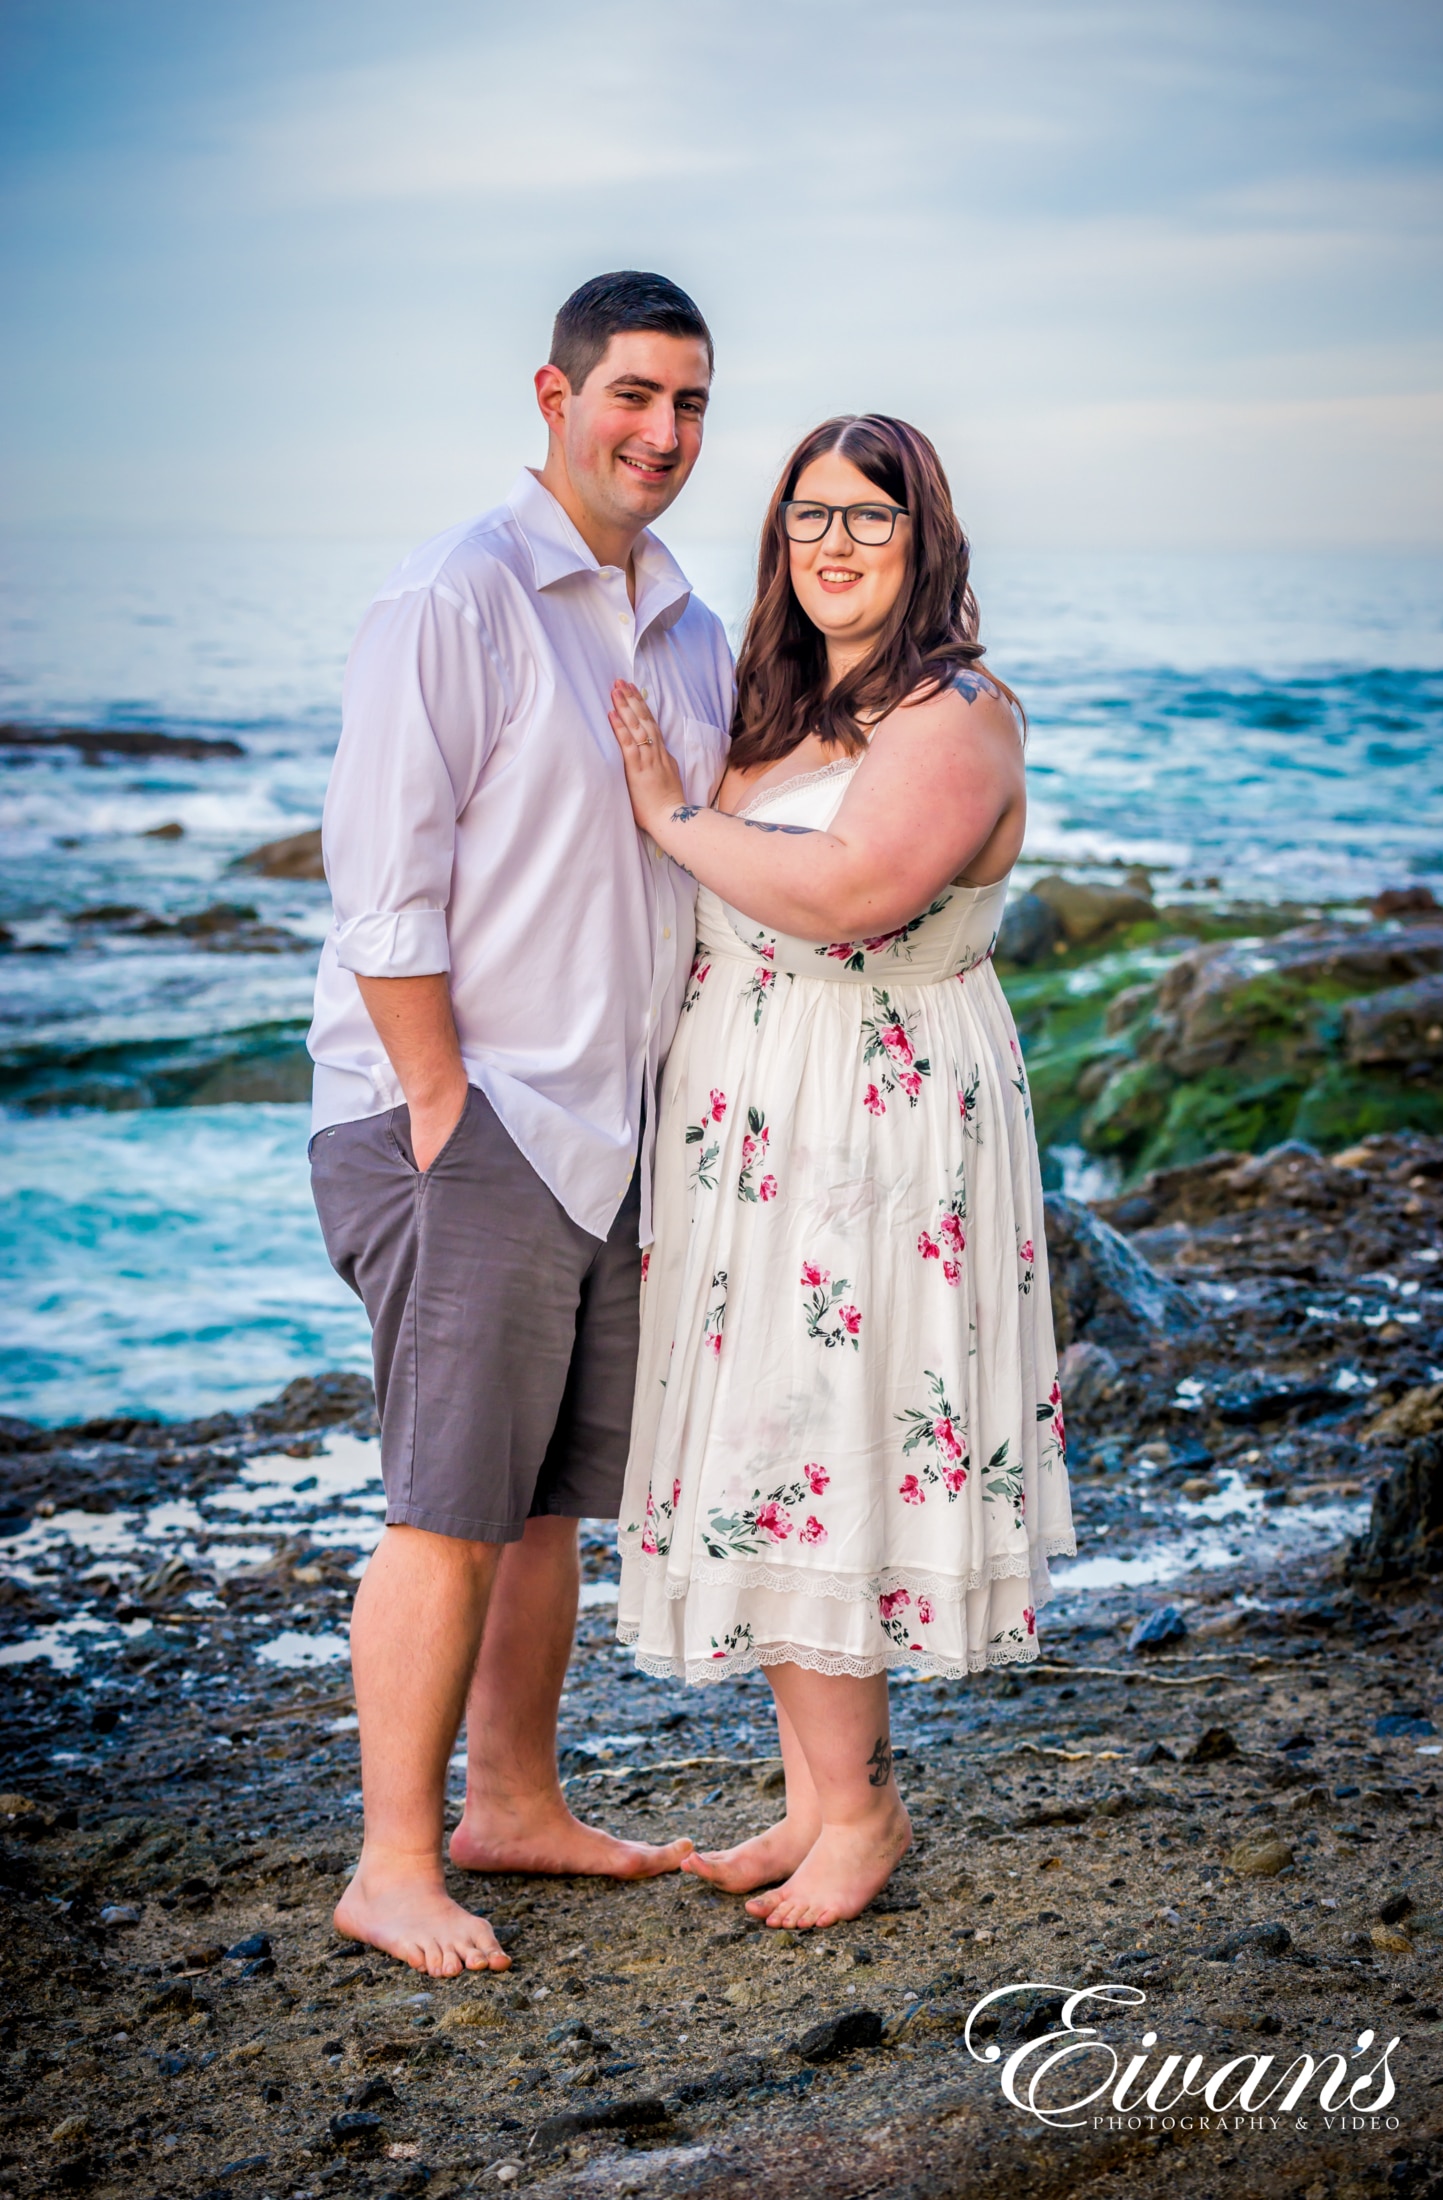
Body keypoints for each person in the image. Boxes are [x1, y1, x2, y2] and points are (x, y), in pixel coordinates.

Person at [306, 271, 734, 1976]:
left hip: (607, 1138)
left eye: (692, 404)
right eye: (634, 394)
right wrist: (436, 1110)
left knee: (547, 1501)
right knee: (443, 1506)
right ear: (551, 397)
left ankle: (517, 1808)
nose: (664, 434)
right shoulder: (455, 598)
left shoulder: (687, 627)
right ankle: (392, 1862)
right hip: (465, 1116)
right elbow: (383, 893)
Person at [609, 413, 1076, 1931]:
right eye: (808, 517)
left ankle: (860, 1812)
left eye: (868, 521)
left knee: (822, 1434)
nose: (832, 546)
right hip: (757, 1110)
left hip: (871, 1118)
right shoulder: (788, 699)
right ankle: (817, 1800)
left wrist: (671, 820)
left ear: (924, 538)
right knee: (774, 1441)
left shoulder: (953, 715)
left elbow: (855, 890)